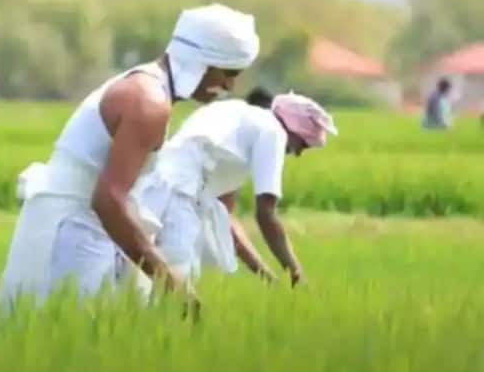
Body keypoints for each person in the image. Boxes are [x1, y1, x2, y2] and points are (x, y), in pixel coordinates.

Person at [0, 3, 261, 318]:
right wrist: (169, 282)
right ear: (200, 62)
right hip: (75, 229)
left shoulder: (150, 88)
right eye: (228, 73)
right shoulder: (148, 101)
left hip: (86, 224)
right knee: (61, 340)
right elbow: (108, 200)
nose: (229, 86)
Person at [132, 92, 338, 291]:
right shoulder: (273, 132)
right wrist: (295, 271)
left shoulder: (238, 116)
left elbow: (224, 217)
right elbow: (266, 215)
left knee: (140, 280)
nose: (298, 153)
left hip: (148, 189)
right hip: (178, 199)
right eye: (301, 144)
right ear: (293, 130)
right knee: (174, 286)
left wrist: (264, 275)